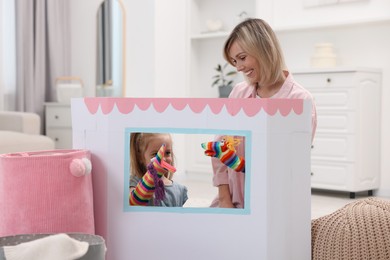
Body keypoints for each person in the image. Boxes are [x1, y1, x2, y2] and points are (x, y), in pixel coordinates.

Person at [207, 18, 317, 208]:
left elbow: (294, 163)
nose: (238, 67)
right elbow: (219, 149)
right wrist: (224, 198)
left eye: (242, 57)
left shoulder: (300, 100)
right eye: (234, 61)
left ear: (263, 50)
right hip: (232, 201)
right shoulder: (239, 93)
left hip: (276, 203)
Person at [129, 132, 188, 207]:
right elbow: (133, 204)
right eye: (155, 154)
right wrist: (153, 175)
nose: (162, 159)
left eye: (167, 153)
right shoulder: (133, 183)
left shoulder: (179, 190)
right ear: (140, 157)